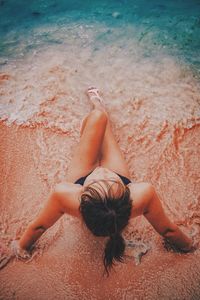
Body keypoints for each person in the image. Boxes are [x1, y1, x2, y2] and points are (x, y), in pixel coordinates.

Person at [10, 87, 193, 274]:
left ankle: (97, 108)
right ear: (127, 195)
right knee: (104, 126)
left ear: (81, 198)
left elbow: (40, 226)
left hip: (81, 180)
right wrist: (189, 246)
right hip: (104, 196)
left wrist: (20, 248)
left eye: (100, 180)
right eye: (111, 181)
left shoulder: (66, 196)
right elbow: (168, 231)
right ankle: (99, 106)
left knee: (98, 118)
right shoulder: (143, 195)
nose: (103, 171)